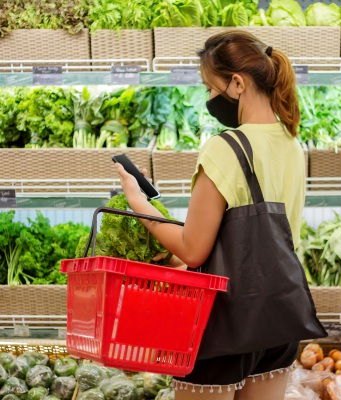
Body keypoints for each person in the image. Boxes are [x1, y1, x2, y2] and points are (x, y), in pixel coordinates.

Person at [115, 30, 323, 400]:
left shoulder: (225, 147)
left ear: (237, 83)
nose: (209, 98)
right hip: (277, 320)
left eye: (210, 88)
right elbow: (253, 239)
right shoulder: (292, 143)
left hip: (222, 322)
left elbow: (194, 250)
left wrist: (139, 204)